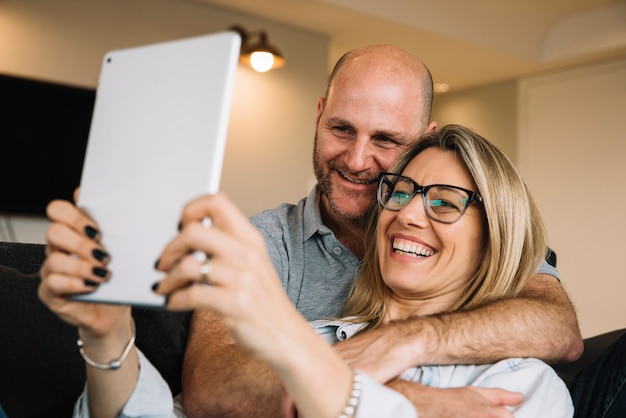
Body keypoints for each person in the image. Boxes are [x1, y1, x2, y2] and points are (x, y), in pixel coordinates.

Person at [38, 125, 574, 417]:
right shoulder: (316, 339)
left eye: (445, 202)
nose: (408, 211)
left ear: (495, 238)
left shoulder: (515, 385)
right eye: (403, 191)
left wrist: (287, 341)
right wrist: (107, 334)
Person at [181, 44, 582, 417]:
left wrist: (402, 342)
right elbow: (211, 383)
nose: (356, 160)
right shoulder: (263, 246)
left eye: (386, 139)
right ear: (319, 116)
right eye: (341, 129)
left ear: (423, 140)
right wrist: (409, 402)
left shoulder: (479, 253)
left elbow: (557, 326)